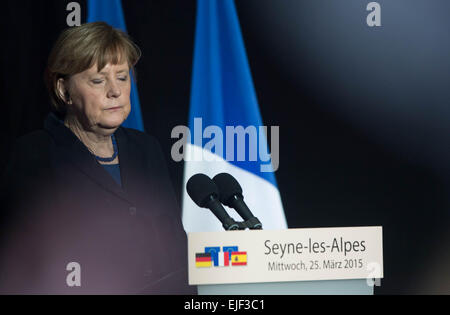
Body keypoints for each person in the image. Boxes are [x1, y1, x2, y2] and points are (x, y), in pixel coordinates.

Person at [0, 22, 195, 294]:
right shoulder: (34, 155)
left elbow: (176, 247)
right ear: (63, 90)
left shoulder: (146, 149)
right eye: (98, 80)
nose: (114, 90)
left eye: (122, 77)